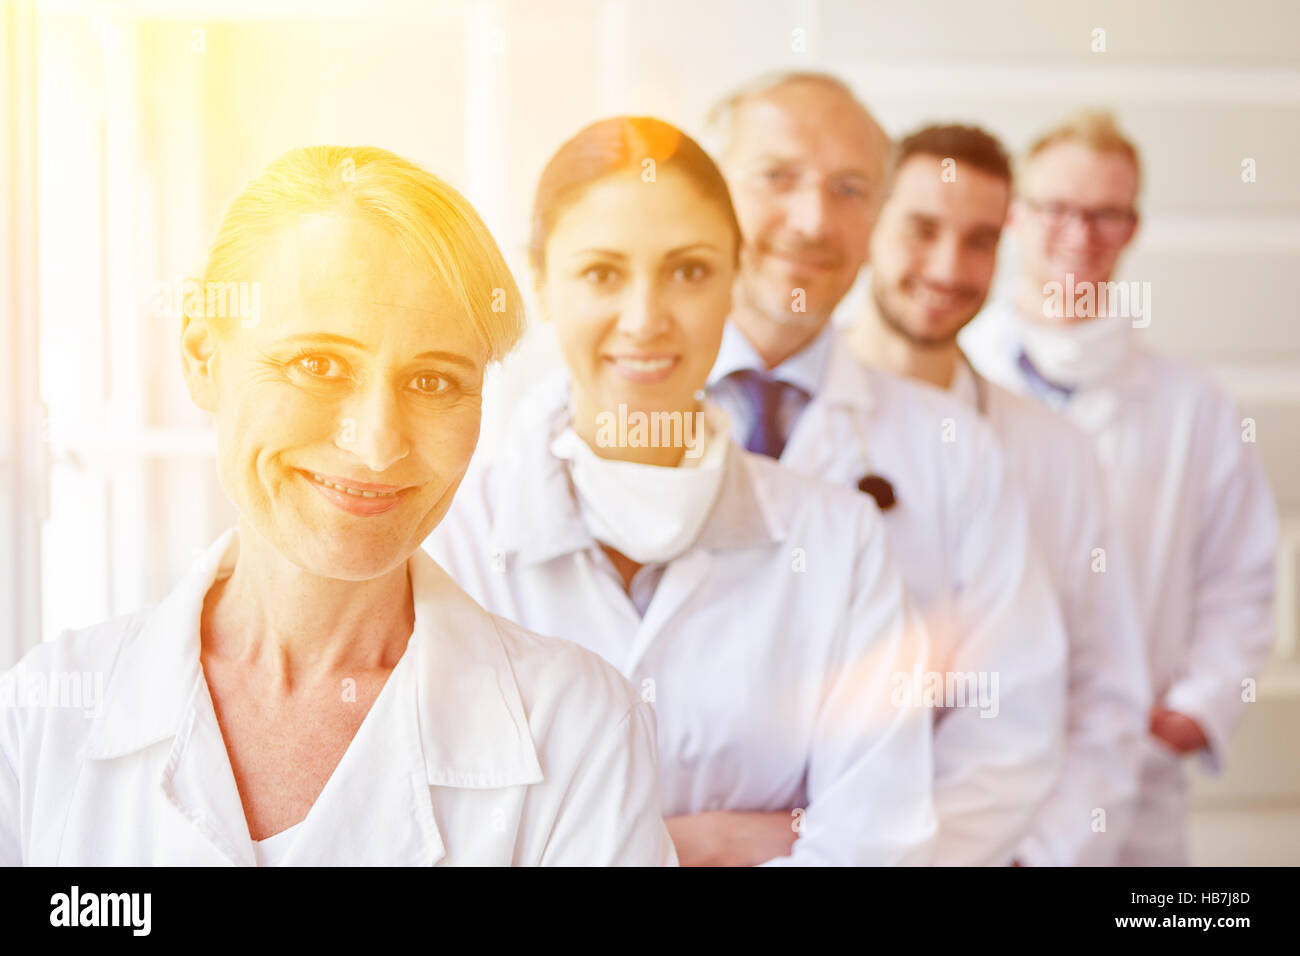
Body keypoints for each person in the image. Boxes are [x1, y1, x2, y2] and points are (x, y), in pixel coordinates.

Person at [0, 145, 676, 866]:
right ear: (202, 357)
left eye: (435, 382)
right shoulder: (47, 712)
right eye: (317, 365)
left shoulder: (578, 732)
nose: (377, 444)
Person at [426, 116, 937, 866]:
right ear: (539, 283)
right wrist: (719, 841)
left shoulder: (839, 541)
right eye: (602, 273)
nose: (645, 319)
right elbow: (433, 838)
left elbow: (879, 844)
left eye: (689, 270)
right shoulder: (452, 541)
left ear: (737, 274)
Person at [704, 71, 1068, 866]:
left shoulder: (954, 450)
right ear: (705, 192)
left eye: (849, 188)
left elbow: (1010, 726)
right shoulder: (594, 424)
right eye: (777, 177)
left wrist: (845, 849)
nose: (812, 219)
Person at [961, 111, 1279, 865]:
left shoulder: (1188, 403)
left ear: (1132, 228)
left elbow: (1243, 577)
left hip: (1135, 781)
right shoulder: (954, 386)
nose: (1080, 236)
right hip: (979, 770)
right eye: (1056, 210)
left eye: (1106, 214)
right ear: (1014, 214)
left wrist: (1195, 710)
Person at [846, 122, 1151, 865]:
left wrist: (1035, 857)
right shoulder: (773, 423)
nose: (950, 267)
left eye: (980, 239)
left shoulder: (1051, 451)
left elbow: (1103, 693)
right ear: (867, 226)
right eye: (922, 228)